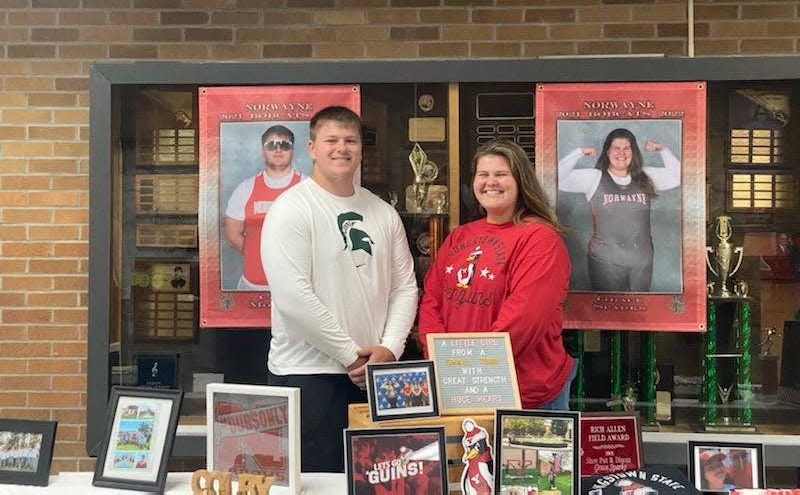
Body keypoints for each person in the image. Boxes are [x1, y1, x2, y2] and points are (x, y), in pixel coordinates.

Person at [261, 106, 418, 473]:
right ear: (312, 148)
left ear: (362, 149)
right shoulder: (292, 209)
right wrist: (350, 356)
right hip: (309, 376)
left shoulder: (382, 212)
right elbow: (292, 298)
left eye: (350, 141)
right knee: (316, 483)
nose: (341, 148)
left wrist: (390, 348)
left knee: (381, 480)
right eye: (331, 140)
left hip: (378, 378)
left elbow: (405, 288)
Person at [419, 139, 574, 410]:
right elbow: (432, 302)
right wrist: (441, 363)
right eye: (483, 175)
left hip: (523, 394)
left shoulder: (540, 239)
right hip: (458, 389)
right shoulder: (460, 236)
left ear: (521, 181)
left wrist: (470, 373)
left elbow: (524, 319)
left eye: (501, 174)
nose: (491, 182)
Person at [558, 127, 680, 292]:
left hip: (640, 261)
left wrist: (663, 150)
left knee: (639, 310)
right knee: (608, 313)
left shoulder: (646, 176)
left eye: (626, 148)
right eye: (616, 148)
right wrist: (578, 152)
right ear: (607, 152)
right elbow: (557, 178)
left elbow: (678, 177)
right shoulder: (594, 177)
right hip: (605, 261)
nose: (621, 153)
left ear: (633, 152)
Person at [224, 125, 305, 291]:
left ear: (292, 150)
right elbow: (232, 235)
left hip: (298, 288)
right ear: (263, 151)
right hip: (252, 284)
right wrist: (258, 254)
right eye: (271, 145)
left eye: (284, 145)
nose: (278, 150)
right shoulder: (245, 189)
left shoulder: (308, 187)